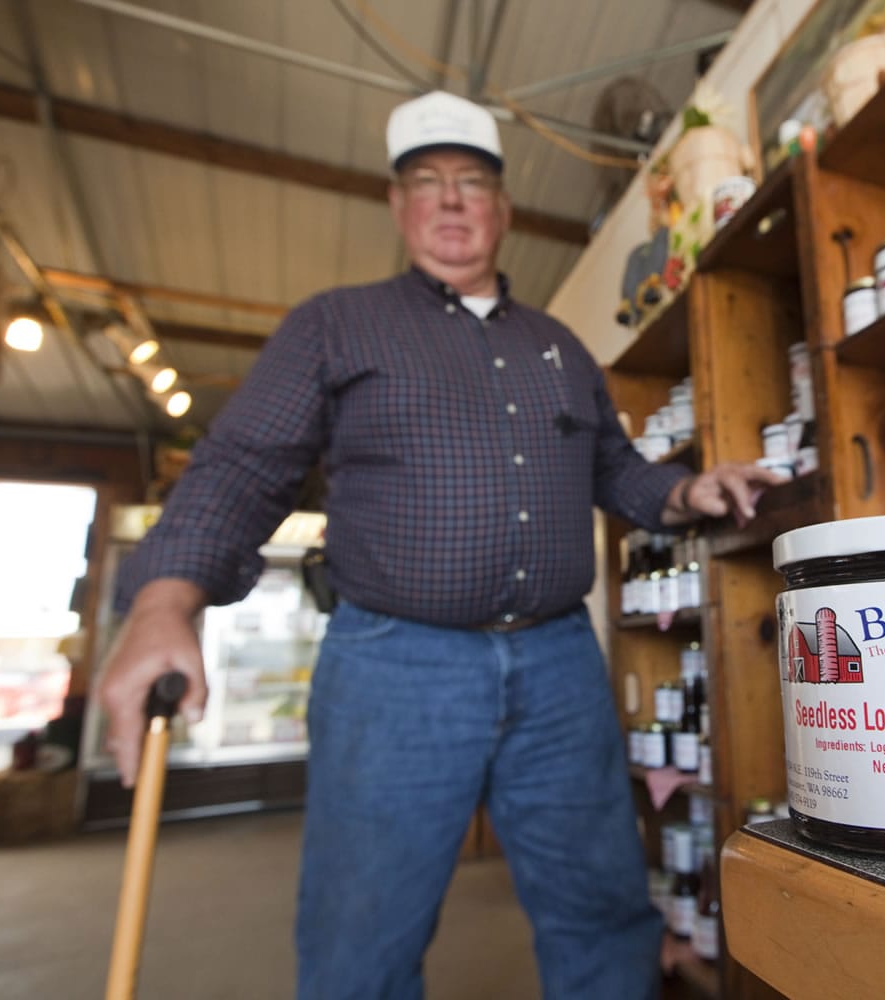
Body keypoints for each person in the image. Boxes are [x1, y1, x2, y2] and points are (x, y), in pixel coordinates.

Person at [96, 89, 782, 1000]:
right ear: (398, 206)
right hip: (395, 668)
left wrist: (686, 489)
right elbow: (244, 465)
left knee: (605, 914)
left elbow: (615, 471)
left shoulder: (560, 349)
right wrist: (161, 600)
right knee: (362, 939)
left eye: (471, 183)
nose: (451, 201)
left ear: (501, 209)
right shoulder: (334, 325)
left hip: (558, 664)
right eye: (427, 183)